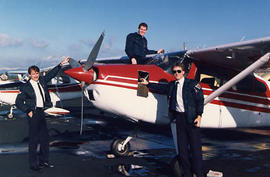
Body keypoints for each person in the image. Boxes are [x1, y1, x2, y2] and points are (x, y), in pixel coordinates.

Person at [140, 62, 204, 177]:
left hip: (191, 118)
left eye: (179, 71)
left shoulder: (192, 84)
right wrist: (147, 84)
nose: (176, 74)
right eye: (174, 72)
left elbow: (200, 99)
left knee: (196, 150)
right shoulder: (172, 85)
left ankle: (199, 174)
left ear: (183, 72)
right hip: (179, 119)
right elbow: (161, 87)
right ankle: (187, 174)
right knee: (182, 150)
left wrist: (199, 115)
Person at [15, 56, 70, 171]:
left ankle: (44, 161)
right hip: (33, 113)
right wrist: (28, 110)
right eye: (33, 74)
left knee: (45, 138)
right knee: (34, 140)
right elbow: (18, 101)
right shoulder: (26, 87)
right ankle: (33, 164)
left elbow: (51, 74)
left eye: (37, 73)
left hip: (41, 112)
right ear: (30, 74)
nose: (36, 75)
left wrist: (60, 65)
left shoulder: (42, 81)